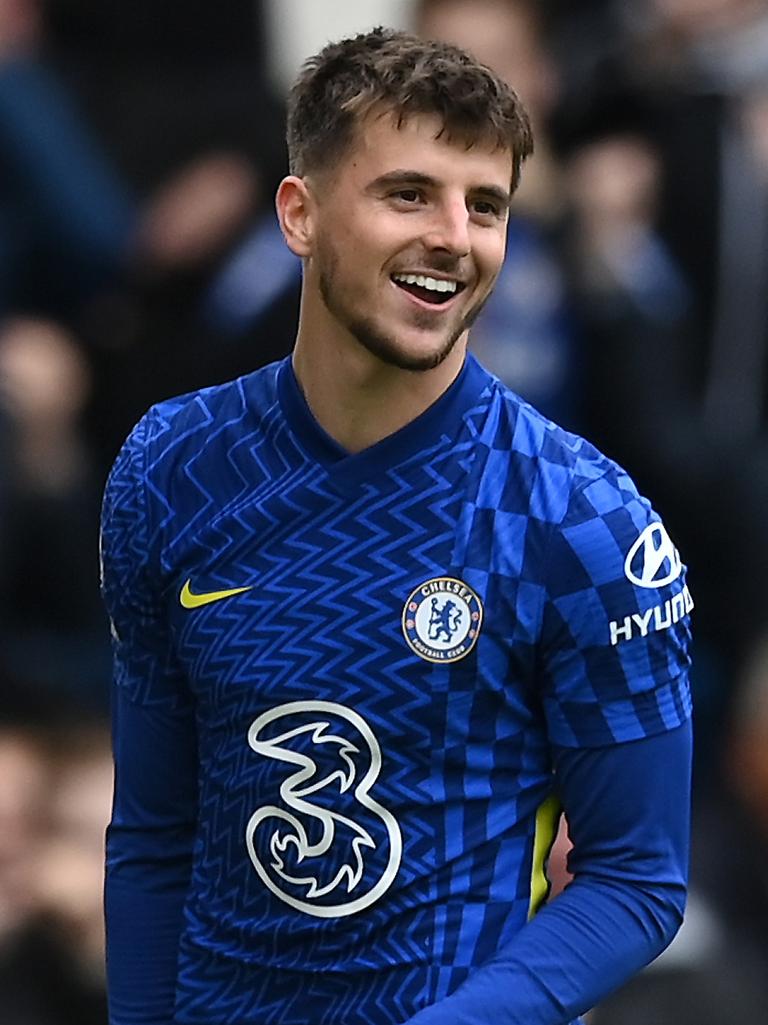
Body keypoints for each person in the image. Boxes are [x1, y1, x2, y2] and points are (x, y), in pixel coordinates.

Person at [100, 27, 693, 1025]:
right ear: (300, 213)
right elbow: (156, 833)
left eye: (487, 206)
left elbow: (638, 878)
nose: (456, 237)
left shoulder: (583, 520)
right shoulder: (172, 468)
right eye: (409, 193)